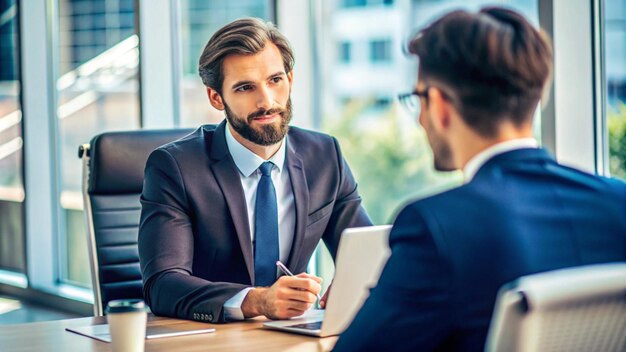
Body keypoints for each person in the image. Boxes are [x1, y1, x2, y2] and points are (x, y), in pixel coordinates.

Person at [334, 7, 626, 351]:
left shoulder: (437, 227)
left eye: (417, 99)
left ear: (439, 105)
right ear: (536, 96)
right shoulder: (618, 202)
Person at [138, 18, 371, 324]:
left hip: (291, 336)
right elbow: (162, 284)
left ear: (290, 78)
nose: (267, 101)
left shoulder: (325, 157)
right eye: (246, 87)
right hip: (209, 340)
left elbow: (368, 249)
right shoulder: (175, 168)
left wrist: (354, 283)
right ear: (216, 97)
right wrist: (257, 301)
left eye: (275, 80)